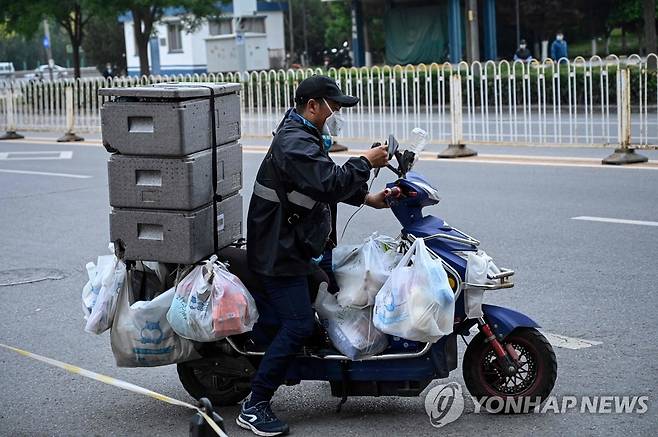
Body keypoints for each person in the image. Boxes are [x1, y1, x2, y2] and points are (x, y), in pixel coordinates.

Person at [239, 75, 389, 436]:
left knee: (326, 290)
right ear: (312, 106)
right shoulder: (294, 141)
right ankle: (254, 403)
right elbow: (327, 182)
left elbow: (315, 188)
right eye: (333, 107)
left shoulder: (304, 134)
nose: (336, 114)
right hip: (279, 251)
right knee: (299, 324)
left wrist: (367, 198)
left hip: (293, 245)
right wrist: (365, 163)